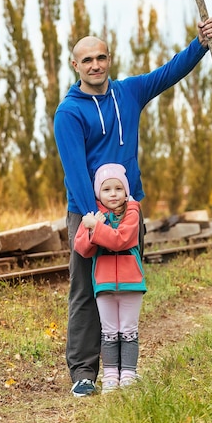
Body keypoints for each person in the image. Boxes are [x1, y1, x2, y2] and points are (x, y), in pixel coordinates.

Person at [54, 16, 212, 397]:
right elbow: (76, 171)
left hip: (129, 213)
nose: (95, 65)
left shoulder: (128, 93)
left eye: (101, 57)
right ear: (75, 66)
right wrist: (91, 219)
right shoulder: (69, 113)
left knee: (126, 286)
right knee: (86, 290)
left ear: (108, 59)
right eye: (87, 60)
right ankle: (83, 372)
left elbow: (167, 73)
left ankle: (123, 372)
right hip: (89, 214)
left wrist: (200, 43)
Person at [74, 163, 146, 395]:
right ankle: (111, 377)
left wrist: (97, 229)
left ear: (126, 192)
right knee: (109, 331)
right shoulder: (94, 216)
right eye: (106, 189)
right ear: (98, 193)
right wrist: (93, 229)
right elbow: (82, 249)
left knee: (128, 330)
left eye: (118, 188)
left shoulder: (132, 212)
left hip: (131, 282)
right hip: (103, 283)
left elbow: (121, 240)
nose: (113, 194)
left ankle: (128, 374)